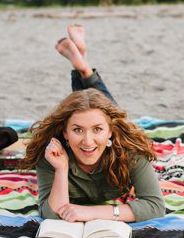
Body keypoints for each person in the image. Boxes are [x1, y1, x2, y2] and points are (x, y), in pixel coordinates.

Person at [19, 24, 166, 223]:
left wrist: (93, 212)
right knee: (87, 106)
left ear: (110, 132)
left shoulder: (130, 149)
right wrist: (61, 169)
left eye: (97, 130)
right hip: (79, 137)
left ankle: (84, 70)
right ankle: (84, 69)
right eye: (77, 130)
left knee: (103, 108)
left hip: (115, 130)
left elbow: (155, 207)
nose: (88, 141)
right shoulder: (51, 154)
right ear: (64, 133)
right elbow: (52, 214)